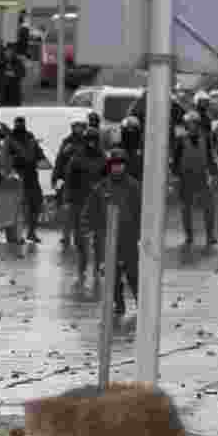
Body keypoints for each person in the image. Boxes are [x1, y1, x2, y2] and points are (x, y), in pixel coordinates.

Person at [84, 149, 141, 315]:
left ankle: (141, 302)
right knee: (112, 275)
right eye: (114, 165)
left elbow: (142, 211)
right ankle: (119, 304)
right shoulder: (101, 188)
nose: (118, 168)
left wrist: (140, 234)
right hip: (108, 238)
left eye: (120, 165)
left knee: (133, 273)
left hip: (129, 237)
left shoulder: (133, 186)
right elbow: (89, 213)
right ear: (109, 167)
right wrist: (90, 232)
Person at [172, 111, 218, 247]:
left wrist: (214, 173)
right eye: (189, 124)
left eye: (194, 124)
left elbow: (210, 158)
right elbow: (175, 161)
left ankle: (210, 236)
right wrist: (175, 177)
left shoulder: (205, 138)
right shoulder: (180, 140)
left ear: (198, 125)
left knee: (209, 206)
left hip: (201, 176)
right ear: (186, 125)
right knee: (186, 208)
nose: (192, 126)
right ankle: (189, 236)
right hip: (185, 177)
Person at [67, 127, 108, 278]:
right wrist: (68, 199)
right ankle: (82, 265)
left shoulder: (103, 158)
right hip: (80, 201)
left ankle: (98, 266)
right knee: (79, 237)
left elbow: (108, 179)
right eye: (88, 140)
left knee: (99, 236)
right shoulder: (76, 158)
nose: (91, 143)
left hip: (98, 202)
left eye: (94, 140)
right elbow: (70, 179)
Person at [5, 116, 46, 243]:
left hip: (31, 176)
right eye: (18, 123)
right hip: (17, 176)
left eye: (21, 123)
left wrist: (40, 160)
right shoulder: (10, 139)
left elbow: (40, 155)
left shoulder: (30, 138)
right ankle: (16, 235)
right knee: (19, 206)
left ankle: (31, 232)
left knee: (36, 203)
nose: (19, 125)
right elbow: (5, 158)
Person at [53, 119, 87, 246]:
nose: (78, 129)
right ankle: (66, 235)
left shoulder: (87, 142)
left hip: (84, 180)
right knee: (66, 209)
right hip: (68, 180)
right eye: (76, 127)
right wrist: (56, 178)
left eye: (80, 127)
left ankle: (80, 236)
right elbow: (60, 160)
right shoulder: (67, 142)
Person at [119, 115, 144, 181]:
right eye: (127, 134)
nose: (129, 137)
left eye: (132, 134)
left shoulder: (143, 153)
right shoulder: (117, 152)